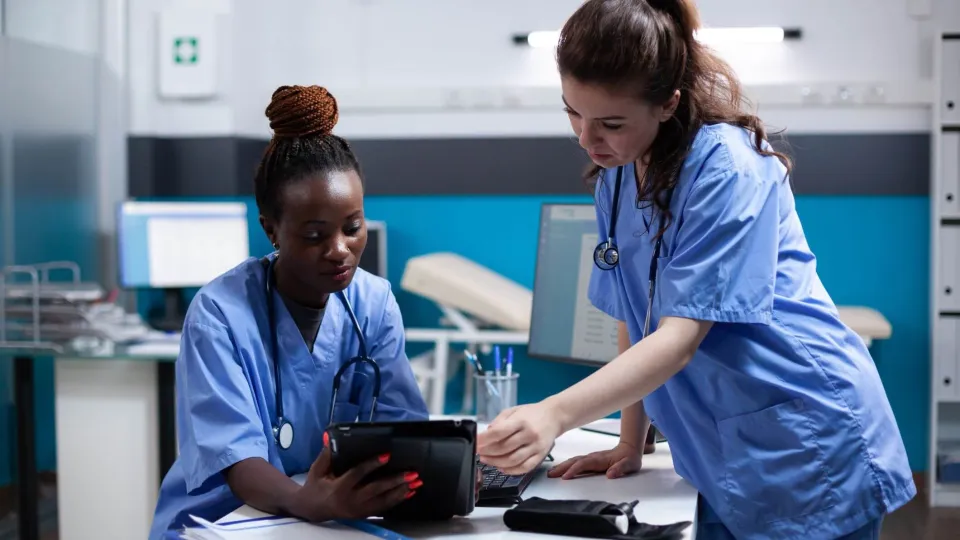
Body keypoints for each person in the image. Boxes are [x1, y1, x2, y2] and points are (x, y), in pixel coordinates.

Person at [476, 1, 916, 539]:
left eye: (610, 123)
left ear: (667, 104)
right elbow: (633, 313)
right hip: (726, 442)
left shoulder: (728, 169)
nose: (586, 140)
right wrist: (628, 441)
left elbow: (679, 337)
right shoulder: (618, 173)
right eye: (573, 113)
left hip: (803, 433)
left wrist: (553, 414)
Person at [149, 85, 431, 539]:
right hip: (226, 519)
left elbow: (404, 428)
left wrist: (441, 474)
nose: (341, 250)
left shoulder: (373, 302)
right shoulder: (219, 314)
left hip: (332, 514)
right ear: (272, 230)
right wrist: (307, 501)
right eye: (316, 235)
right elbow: (237, 461)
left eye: (352, 227)